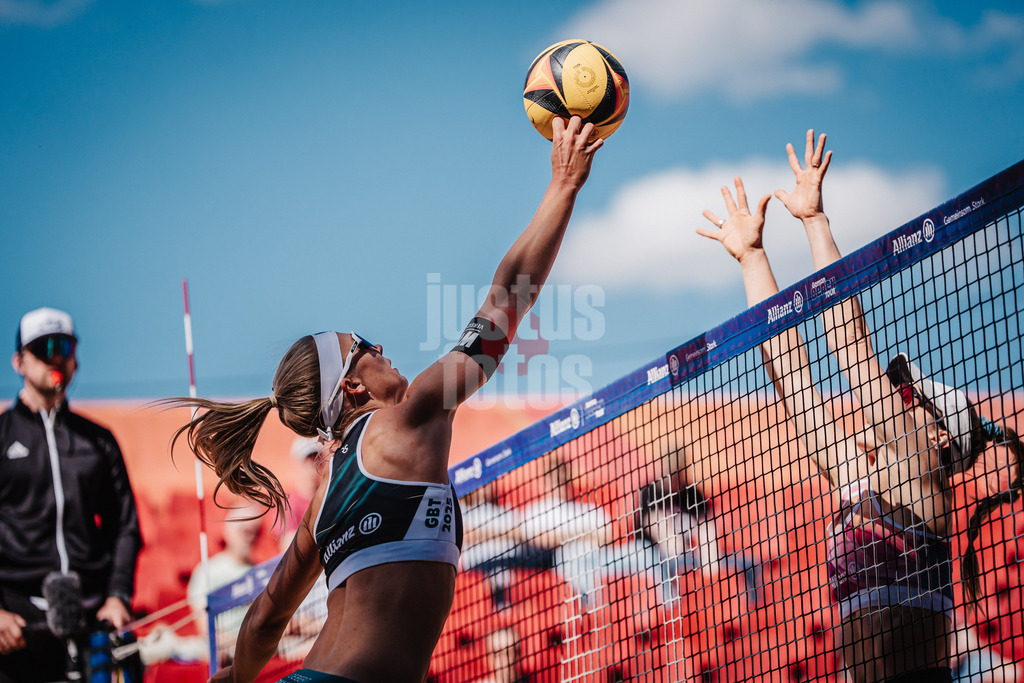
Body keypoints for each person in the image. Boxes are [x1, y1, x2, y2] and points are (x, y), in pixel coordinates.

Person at [167, 116, 603, 683]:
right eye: (366, 345)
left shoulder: (325, 497)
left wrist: (231, 680)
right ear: (351, 385)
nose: (383, 346)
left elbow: (262, 623)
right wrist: (564, 186)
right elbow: (506, 299)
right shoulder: (407, 417)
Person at [698, 130, 1023, 682]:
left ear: (937, 435)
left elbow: (852, 346)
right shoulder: (860, 481)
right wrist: (753, 259)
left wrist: (815, 224)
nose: (896, 398)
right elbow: (794, 385)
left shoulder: (918, 483)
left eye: (908, 399)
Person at [0, 307, 142, 683]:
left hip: (91, 619)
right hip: (17, 628)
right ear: (18, 361)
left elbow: (125, 526)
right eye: (43, 348)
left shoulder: (98, 441)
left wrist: (117, 596)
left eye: (64, 346)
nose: (56, 356)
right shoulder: (2, 435)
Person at [278, 437, 324, 551]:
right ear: (299, 464)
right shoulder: (289, 504)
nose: (314, 464)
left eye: (317, 459)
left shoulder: (329, 497)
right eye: (309, 460)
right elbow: (287, 545)